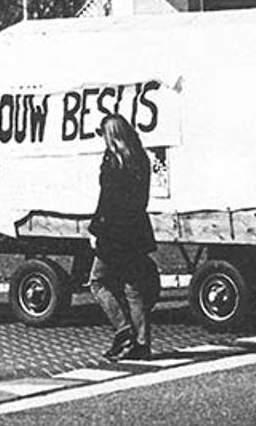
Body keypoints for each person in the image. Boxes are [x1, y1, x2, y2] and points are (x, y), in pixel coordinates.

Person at [88, 114, 159, 360]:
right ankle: (142, 343)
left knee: (97, 281)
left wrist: (96, 230)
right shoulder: (140, 158)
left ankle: (123, 329)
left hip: (113, 232)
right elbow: (142, 199)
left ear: (110, 135)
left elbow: (106, 201)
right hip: (136, 229)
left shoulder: (112, 161)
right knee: (133, 288)